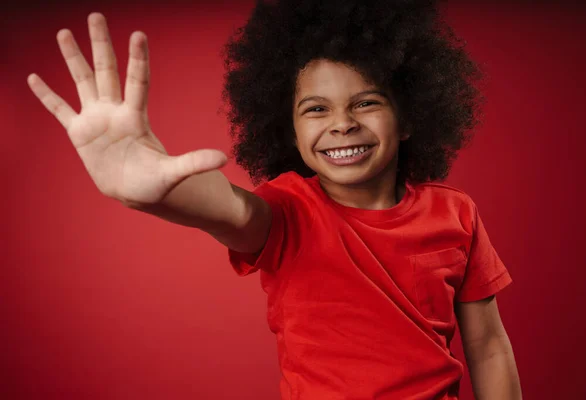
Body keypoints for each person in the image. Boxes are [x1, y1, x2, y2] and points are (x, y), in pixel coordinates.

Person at [27, 1, 522, 399]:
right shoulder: (287, 210)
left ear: (410, 117)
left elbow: (489, 345)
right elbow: (230, 208)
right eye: (316, 108)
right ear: (288, 129)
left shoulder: (456, 212)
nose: (342, 122)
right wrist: (158, 190)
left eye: (366, 102)